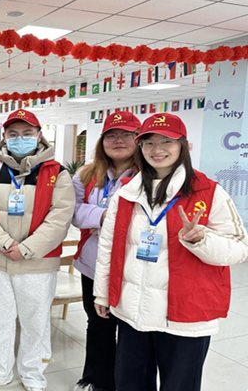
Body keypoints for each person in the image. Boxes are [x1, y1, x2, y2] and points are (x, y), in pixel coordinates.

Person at [93, 113, 248, 391]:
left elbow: (239, 248)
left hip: (185, 314)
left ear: (183, 146)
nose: (158, 149)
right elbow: (108, 247)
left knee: (179, 385)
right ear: (141, 147)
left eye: (167, 141)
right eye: (149, 143)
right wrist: (103, 293)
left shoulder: (208, 192)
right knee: (130, 383)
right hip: (132, 310)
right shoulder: (127, 193)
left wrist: (203, 240)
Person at [0, 109, 75, 391]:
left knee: (35, 321)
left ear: (39, 136)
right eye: (13, 134)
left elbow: (60, 217)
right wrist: (5, 243)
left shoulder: (57, 173)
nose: (20, 138)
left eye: (27, 133)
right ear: (4, 136)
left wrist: (26, 248)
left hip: (38, 262)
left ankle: (33, 374)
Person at [72, 111, 145, 391]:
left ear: (138, 139)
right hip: (93, 263)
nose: (119, 140)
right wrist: (104, 217)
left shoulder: (148, 174)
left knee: (129, 327)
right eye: (112, 135)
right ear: (102, 141)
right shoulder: (86, 175)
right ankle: (97, 380)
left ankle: (125, 382)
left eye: (127, 134)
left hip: (132, 265)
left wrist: (98, 220)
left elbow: (146, 219)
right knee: (98, 323)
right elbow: (73, 212)